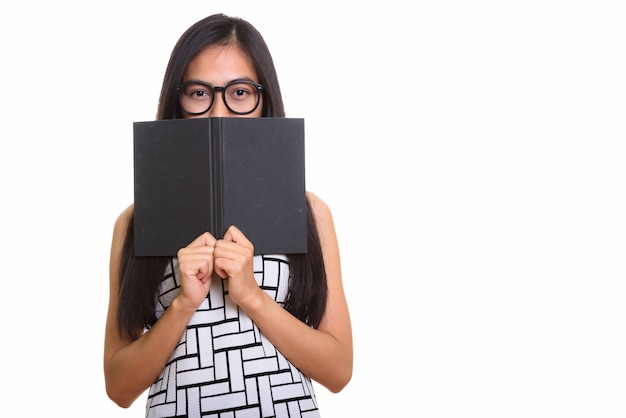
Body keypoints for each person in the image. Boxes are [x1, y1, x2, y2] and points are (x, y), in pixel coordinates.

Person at [103, 13, 353, 418]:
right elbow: (118, 386)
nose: (219, 112)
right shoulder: (135, 221)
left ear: (263, 99)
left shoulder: (310, 212)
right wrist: (183, 303)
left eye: (239, 92)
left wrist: (252, 297)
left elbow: (339, 371)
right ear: (177, 101)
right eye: (199, 93)